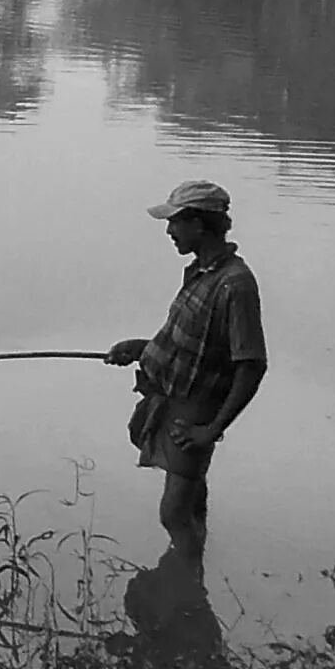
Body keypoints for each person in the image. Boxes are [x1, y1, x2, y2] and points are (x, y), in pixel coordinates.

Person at [105, 180, 266, 564]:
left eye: (176, 221)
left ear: (200, 224)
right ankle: (193, 578)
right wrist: (141, 349)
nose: (169, 230)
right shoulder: (200, 273)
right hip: (175, 401)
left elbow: (252, 366)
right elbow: (195, 342)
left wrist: (211, 430)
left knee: (173, 513)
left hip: (195, 413)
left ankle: (186, 587)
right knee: (190, 499)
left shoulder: (235, 285)